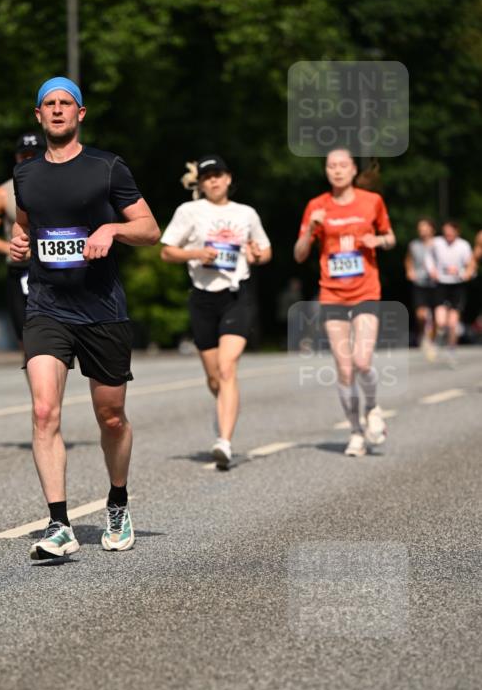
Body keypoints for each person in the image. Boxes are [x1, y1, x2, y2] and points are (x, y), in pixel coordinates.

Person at [8, 77, 160, 563]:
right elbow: (24, 225)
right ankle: (59, 524)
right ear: (38, 115)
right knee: (44, 412)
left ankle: (117, 503)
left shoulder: (106, 167)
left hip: (101, 310)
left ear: (80, 114)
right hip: (47, 306)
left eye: (64, 104)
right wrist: (18, 243)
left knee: (110, 416)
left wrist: (113, 227)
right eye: (48, 104)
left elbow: (150, 229)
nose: (56, 111)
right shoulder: (26, 176)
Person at [160, 155, 271, 468]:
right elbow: (167, 251)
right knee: (214, 378)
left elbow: (265, 249)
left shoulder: (245, 213)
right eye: (207, 176)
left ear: (229, 178)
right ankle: (223, 406)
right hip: (203, 299)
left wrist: (257, 254)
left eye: (219, 175)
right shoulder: (189, 211)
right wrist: (197, 253)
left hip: (237, 295)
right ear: (201, 182)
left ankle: (224, 440)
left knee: (227, 367)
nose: (213, 181)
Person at [293, 148, 396, 457]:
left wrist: (376, 241)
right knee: (344, 368)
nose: (336, 170)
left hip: (365, 290)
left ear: (353, 170)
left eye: (342, 165)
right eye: (331, 166)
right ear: (327, 171)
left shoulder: (371, 202)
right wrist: (311, 228)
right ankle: (355, 432)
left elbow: (391, 238)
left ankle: (373, 406)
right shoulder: (316, 206)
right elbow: (299, 254)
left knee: (362, 360)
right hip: (333, 294)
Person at [0, 133, 43, 348]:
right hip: (21, 270)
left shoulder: (65, 183)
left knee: (59, 335)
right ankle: (39, 383)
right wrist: (11, 247)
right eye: (25, 156)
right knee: (27, 340)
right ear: (17, 158)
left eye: (35, 155)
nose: (30, 159)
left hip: (57, 268)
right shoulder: (3, 193)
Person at [426, 220, 475, 365]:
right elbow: (428, 257)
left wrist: (461, 272)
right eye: (446, 234)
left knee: (453, 324)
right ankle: (434, 342)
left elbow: (470, 268)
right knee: (440, 321)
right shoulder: (437, 242)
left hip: (457, 285)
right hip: (441, 284)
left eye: (451, 234)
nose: (448, 237)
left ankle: (451, 350)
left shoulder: (464, 246)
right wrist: (432, 270)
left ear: (456, 233)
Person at [404, 218, 437, 359]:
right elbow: (408, 259)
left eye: (425, 227)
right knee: (420, 314)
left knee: (436, 316)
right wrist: (409, 270)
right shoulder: (414, 245)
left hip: (436, 283)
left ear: (432, 229)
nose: (422, 230)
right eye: (420, 228)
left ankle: (431, 339)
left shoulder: (438, 244)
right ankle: (423, 333)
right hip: (420, 282)